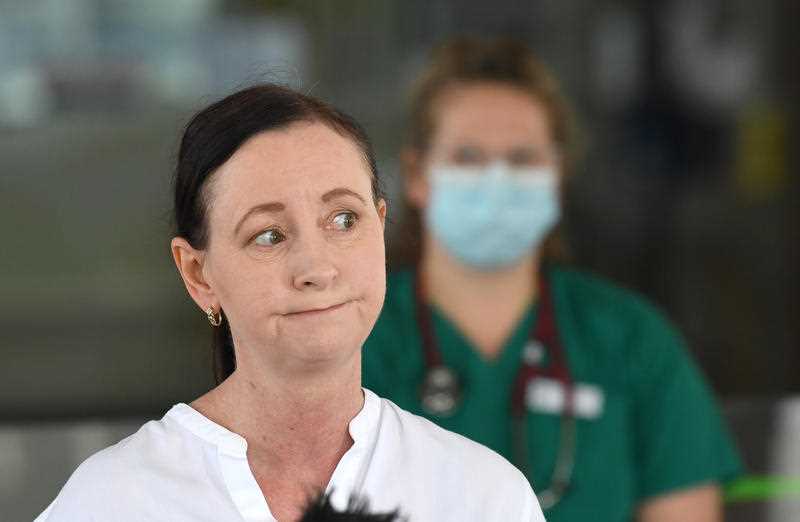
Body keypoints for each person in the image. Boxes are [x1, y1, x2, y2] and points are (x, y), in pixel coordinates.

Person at [33, 84, 545, 522]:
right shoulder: (113, 503)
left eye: (344, 220)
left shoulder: (484, 498)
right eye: (269, 235)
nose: (316, 269)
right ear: (197, 273)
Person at [362, 38, 742, 522]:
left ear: (557, 175)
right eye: (468, 157)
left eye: (522, 160)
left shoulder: (633, 342)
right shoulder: (359, 339)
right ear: (416, 174)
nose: (496, 180)